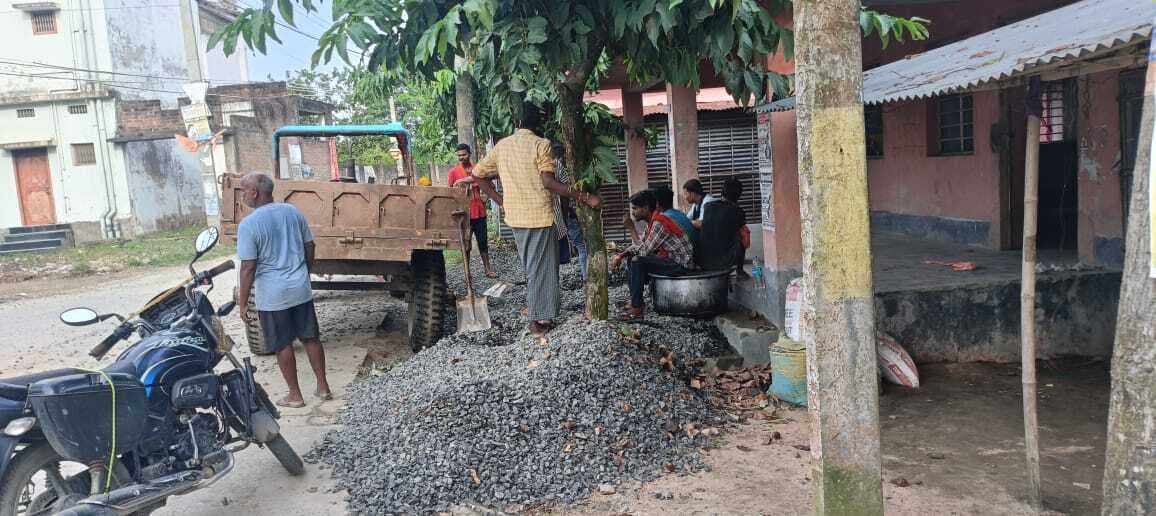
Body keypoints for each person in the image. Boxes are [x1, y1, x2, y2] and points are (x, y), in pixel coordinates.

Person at [472, 103, 602, 336]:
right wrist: (584, 196)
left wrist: (500, 200)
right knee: (540, 269)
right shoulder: (541, 144)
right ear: (537, 124)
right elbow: (548, 182)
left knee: (535, 267)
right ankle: (537, 320)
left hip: (516, 218)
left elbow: (478, 174)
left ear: (517, 123)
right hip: (538, 216)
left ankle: (542, 315)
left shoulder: (502, 146)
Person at [236, 173, 331, 408]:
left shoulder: (248, 225)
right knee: (311, 338)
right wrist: (304, 273)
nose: (242, 194)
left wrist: (243, 301)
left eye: (244, 190)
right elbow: (310, 245)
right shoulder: (293, 212)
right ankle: (323, 387)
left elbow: (248, 266)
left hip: (273, 296)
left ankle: (295, 396)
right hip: (300, 289)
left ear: (255, 193)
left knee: (282, 344)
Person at [611, 190, 694, 320]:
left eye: (635, 208)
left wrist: (631, 229)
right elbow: (641, 244)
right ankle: (635, 302)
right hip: (669, 259)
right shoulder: (653, 222)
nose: (632, 212)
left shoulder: (658, 223)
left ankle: (637, 308)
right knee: (631, 258)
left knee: (637, 260)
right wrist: (621, 255)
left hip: (680, 264)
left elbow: (644, 251)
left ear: (645, 208)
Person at [447, 143, 501, 278]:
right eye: (459, 155)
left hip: (480, 212)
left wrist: (486, 198)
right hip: (464, 215)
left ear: (469, 154)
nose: (461, 157)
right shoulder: (453, 172)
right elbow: (450, 193)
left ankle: (488, 269)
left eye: (464, 154)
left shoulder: (478, 169)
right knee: (466, 244)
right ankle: (467, 272)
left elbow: (491, 185)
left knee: (483, 242)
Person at [697, 178, 751, 272]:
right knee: (743, 233)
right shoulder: (738, 211)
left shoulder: (708, 206)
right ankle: (740, 272)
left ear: (722, 191)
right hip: (724, 262)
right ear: (739, 195)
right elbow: (746, 242)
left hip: (702, 261)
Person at [552, 142, 587, 279]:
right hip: (566, 216)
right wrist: (566, 217)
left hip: (560, 217)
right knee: (582, 246)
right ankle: (586, 277)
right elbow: (565, 197)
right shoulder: (560, 167)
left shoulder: (551, 167)